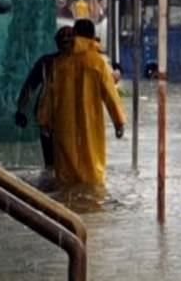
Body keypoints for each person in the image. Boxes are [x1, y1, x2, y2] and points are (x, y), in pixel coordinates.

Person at [38, 18, 126, 187]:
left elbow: (49, 95)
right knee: (92, 174)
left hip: (63, 127)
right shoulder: (98, 62)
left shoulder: (59, 63)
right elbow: (110, 95)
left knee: (65, 178)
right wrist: (119, 122)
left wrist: (44, 121)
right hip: (90, 127)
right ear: (93, 36)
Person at [14, 26, 75, 169]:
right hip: (50, 120)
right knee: (54, 164)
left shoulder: (79, 63)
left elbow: (29, 87)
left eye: (68, 40)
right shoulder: (46, 63)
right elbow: (29, 87)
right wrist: (21, 110)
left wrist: (21, 110)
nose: (65, 44)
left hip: (61, 121)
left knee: (58, 165)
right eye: (63, 40)